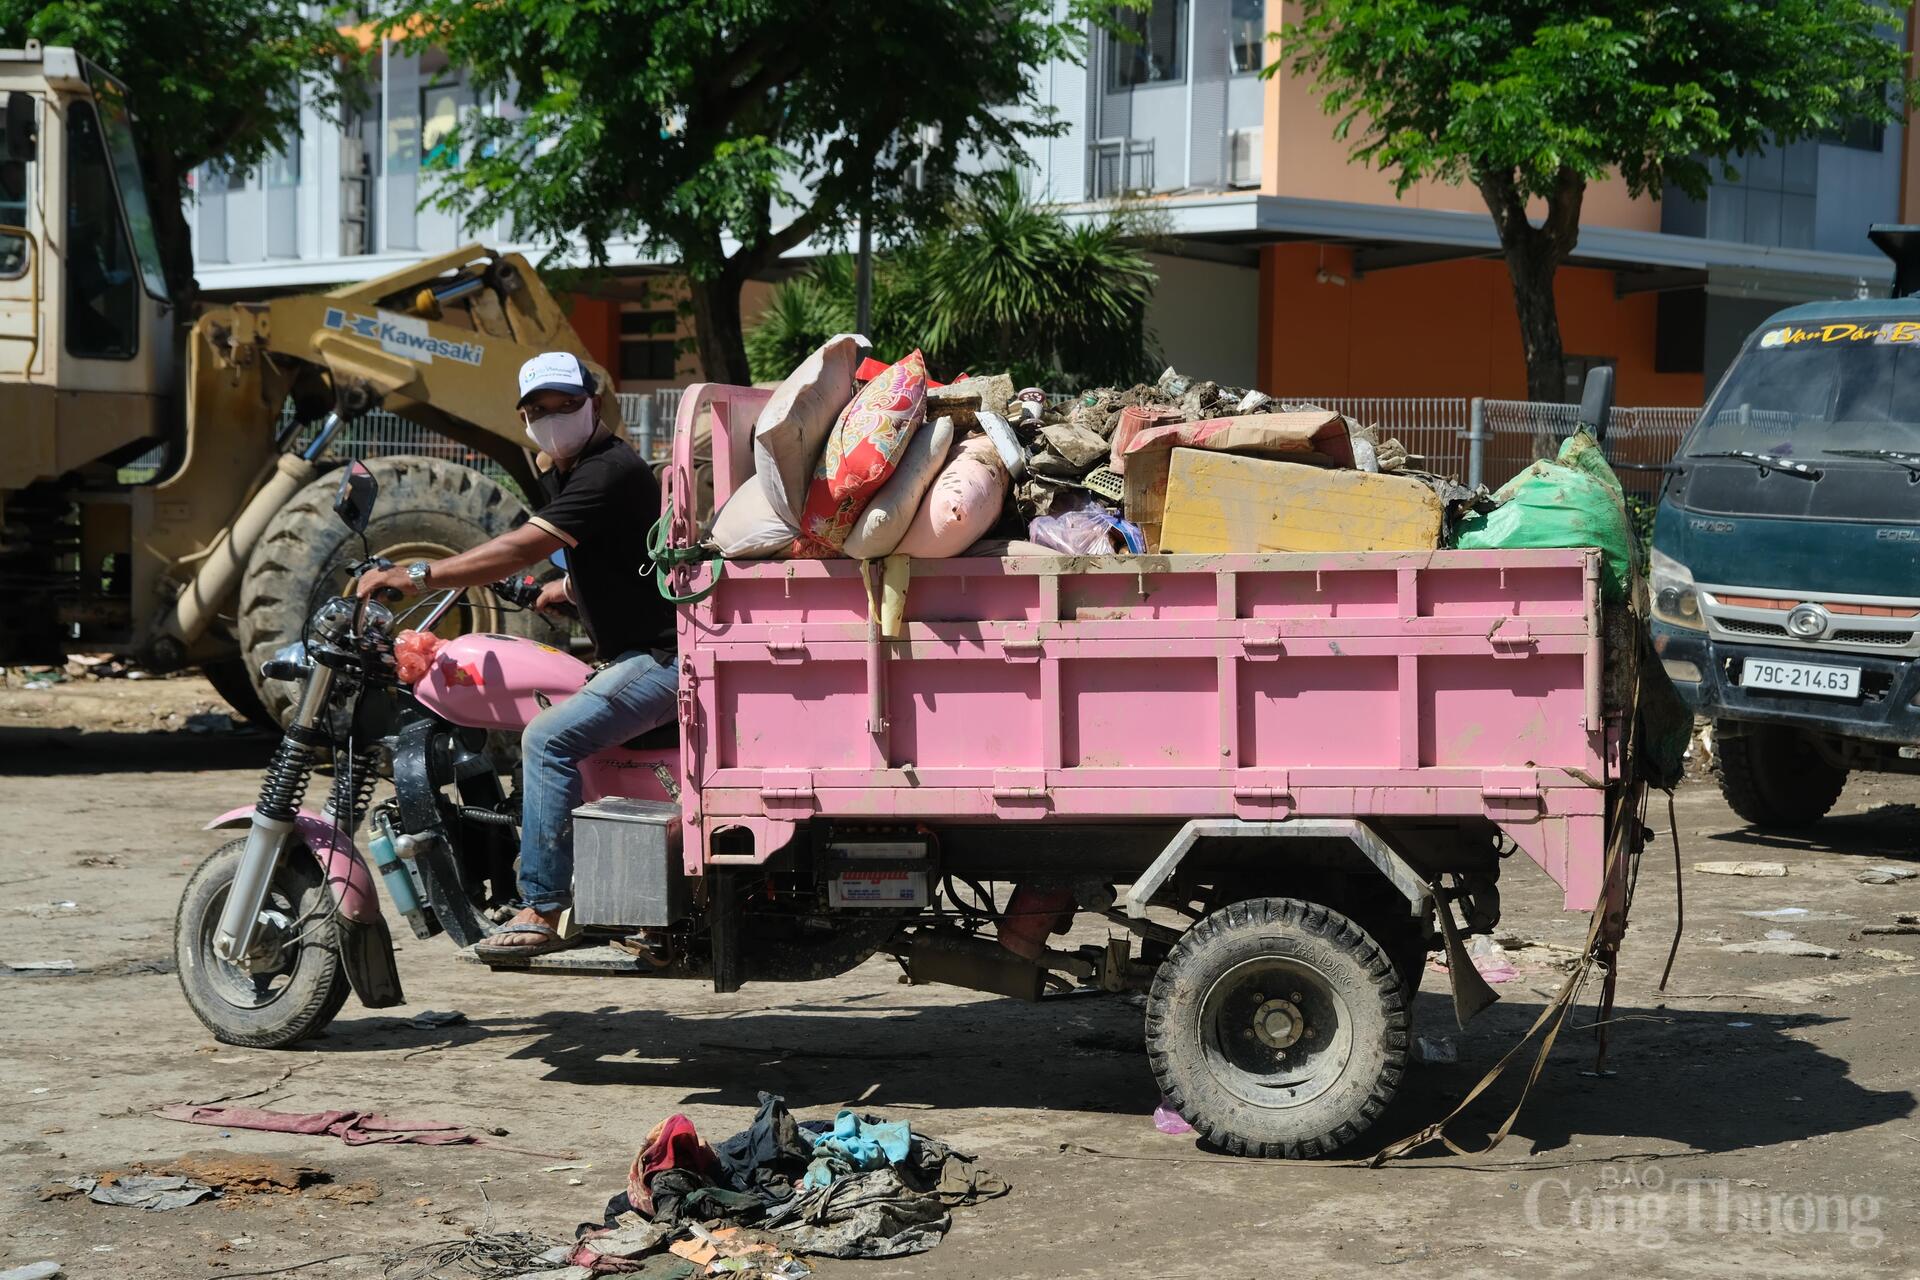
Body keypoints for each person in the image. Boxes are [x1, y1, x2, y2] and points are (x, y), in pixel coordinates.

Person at [356, 351, 675, 956]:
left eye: (566, 405)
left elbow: (521, 545)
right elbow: (618, 557)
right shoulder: (572, 470)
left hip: (662, 658)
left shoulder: (608, 469)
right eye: (538, 410)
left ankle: (541, 909)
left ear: (594, 404)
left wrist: (423, 573)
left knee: (547, 740)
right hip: (644, 651)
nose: (552, 417)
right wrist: (558, 591)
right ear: (523, 417)